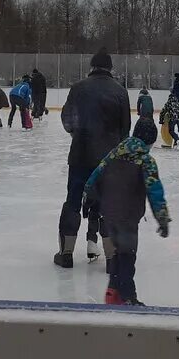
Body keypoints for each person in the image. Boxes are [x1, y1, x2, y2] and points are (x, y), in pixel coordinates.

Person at [55, 48, 131, 267]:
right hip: (109, 159)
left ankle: (66, 253)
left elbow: (67, 118)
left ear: (92, 66)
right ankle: (111, 257)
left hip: (80, 155)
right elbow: (125, 129)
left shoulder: (78, 89)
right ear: (110, 68)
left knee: (73, 202)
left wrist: (77, 134)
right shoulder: (120, 91)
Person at [84, 117, 170, 306]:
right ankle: (128, 297)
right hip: (128, 216)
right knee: (128, 256)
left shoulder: (115, 153)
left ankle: (113, 292)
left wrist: (88, 198)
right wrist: (162, 219)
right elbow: (154, 191)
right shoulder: (146, 160)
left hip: (109, 213)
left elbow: (96, 174)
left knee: (118, 253)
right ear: (149, 141)